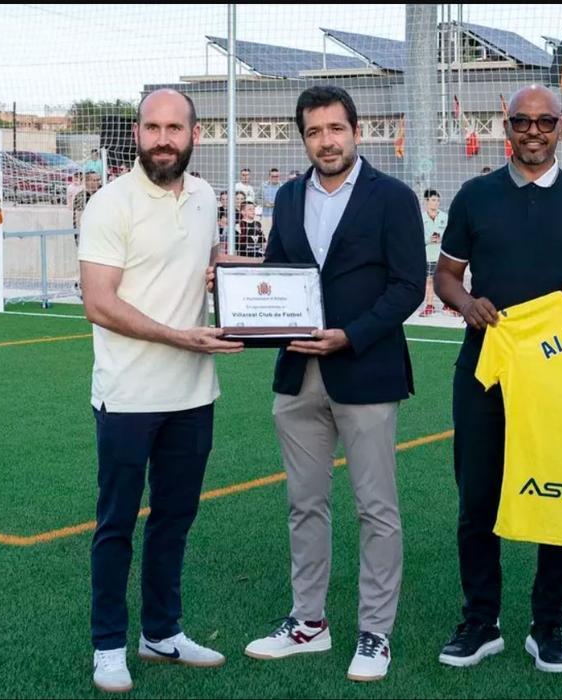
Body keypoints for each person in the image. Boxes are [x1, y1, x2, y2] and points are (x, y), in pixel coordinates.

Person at [234, 86, 424, 683]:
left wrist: (351, 335)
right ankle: (308, 624)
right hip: (298, 375)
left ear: (355, 131)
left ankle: (375, 633)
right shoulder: (289, 196)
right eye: (315, 131)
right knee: (303, 504)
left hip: (365, 369)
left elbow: (408, 286)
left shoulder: (392, 197)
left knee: (377, 509)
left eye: (335, 128)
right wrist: (250, 310)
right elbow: (277, 274)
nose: (327, 140)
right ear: (304, 138)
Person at [433, 84, 562, 674]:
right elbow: (446, 277)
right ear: (504, 127)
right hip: (486, 371)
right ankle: (480, 622)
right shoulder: (474, 196)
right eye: (521, 121)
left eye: (544, 122)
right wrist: (468, 304)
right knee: (477, 500)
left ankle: (549, 626)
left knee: (558, 499)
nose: (533, 131)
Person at [78, 88, 242, 694]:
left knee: (174, 519)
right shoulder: (110, 203)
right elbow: (99, 302)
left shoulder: (204, 197)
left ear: (194, 133)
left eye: (175, 127)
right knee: (116, 524)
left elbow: (209, 263)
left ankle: (161, 632)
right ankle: (107, 645)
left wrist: (250, 280)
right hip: (127, 396)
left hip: (194, 395)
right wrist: (181, 336)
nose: (164, 138)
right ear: (137, 134)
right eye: (153, 127)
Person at [420, 189, 447, 317]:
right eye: (433, 200)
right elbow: (417, 238)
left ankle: (448, 305)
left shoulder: (444, 217)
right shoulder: (421, 218)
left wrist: (441, 238)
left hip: (442, 255)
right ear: (426, 201)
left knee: (445, 280)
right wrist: (428, 239)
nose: (436, 203)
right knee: (429, 280)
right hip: (428, 255)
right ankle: (429, 305)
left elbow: (450, 235)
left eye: (437, 200)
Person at [260, 167, 283, 233]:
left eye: (276, 176)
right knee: (265, 235)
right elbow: (257, 198)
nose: (275, 178)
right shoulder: (263, 186)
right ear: (269, 177)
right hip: (266, 215)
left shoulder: (282, 187)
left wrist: (277, 204)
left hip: (278, 217)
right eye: (273, 176)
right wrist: (265, 204)